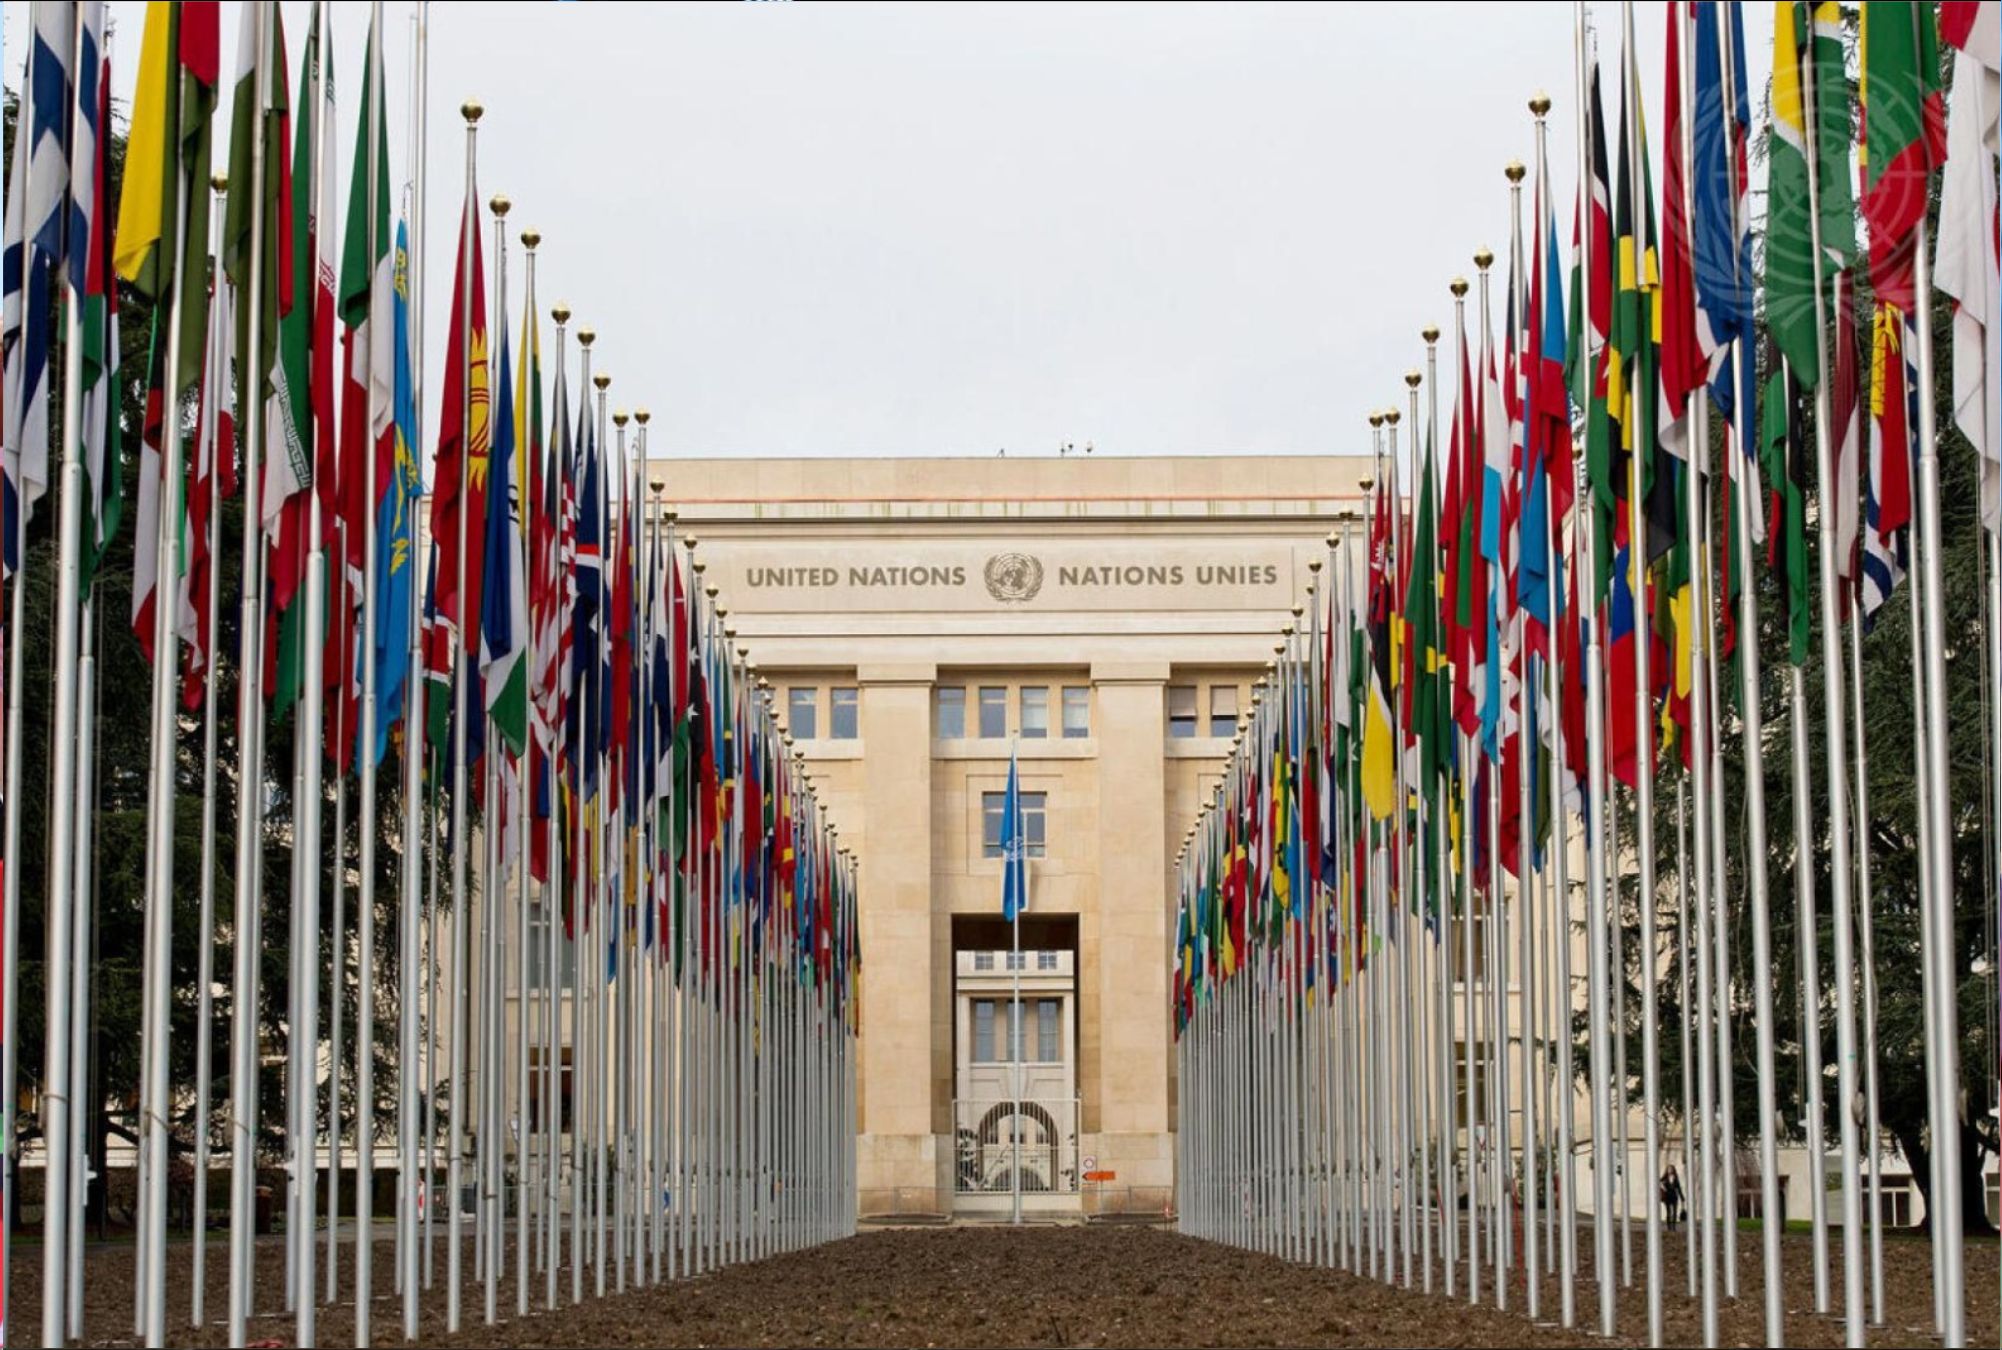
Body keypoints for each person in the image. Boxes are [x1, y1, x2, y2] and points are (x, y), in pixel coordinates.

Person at [1660, 1164, 1685, 1228]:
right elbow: (1659, 1182)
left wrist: (1682, 1197)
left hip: (1674, 1196)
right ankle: (1669, 1227)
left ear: (1673, 1170)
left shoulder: (1676, 1177)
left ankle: (1673, 1227)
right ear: (1667, 1170)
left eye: (1671, 1169)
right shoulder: (1664, 1177)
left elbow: (1678, 1188)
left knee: (1674, 1212)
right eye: (1669, 1169)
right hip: (1667, 1197)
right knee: (1668, 1212)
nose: (1670, 1170)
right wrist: (1663, 1188)